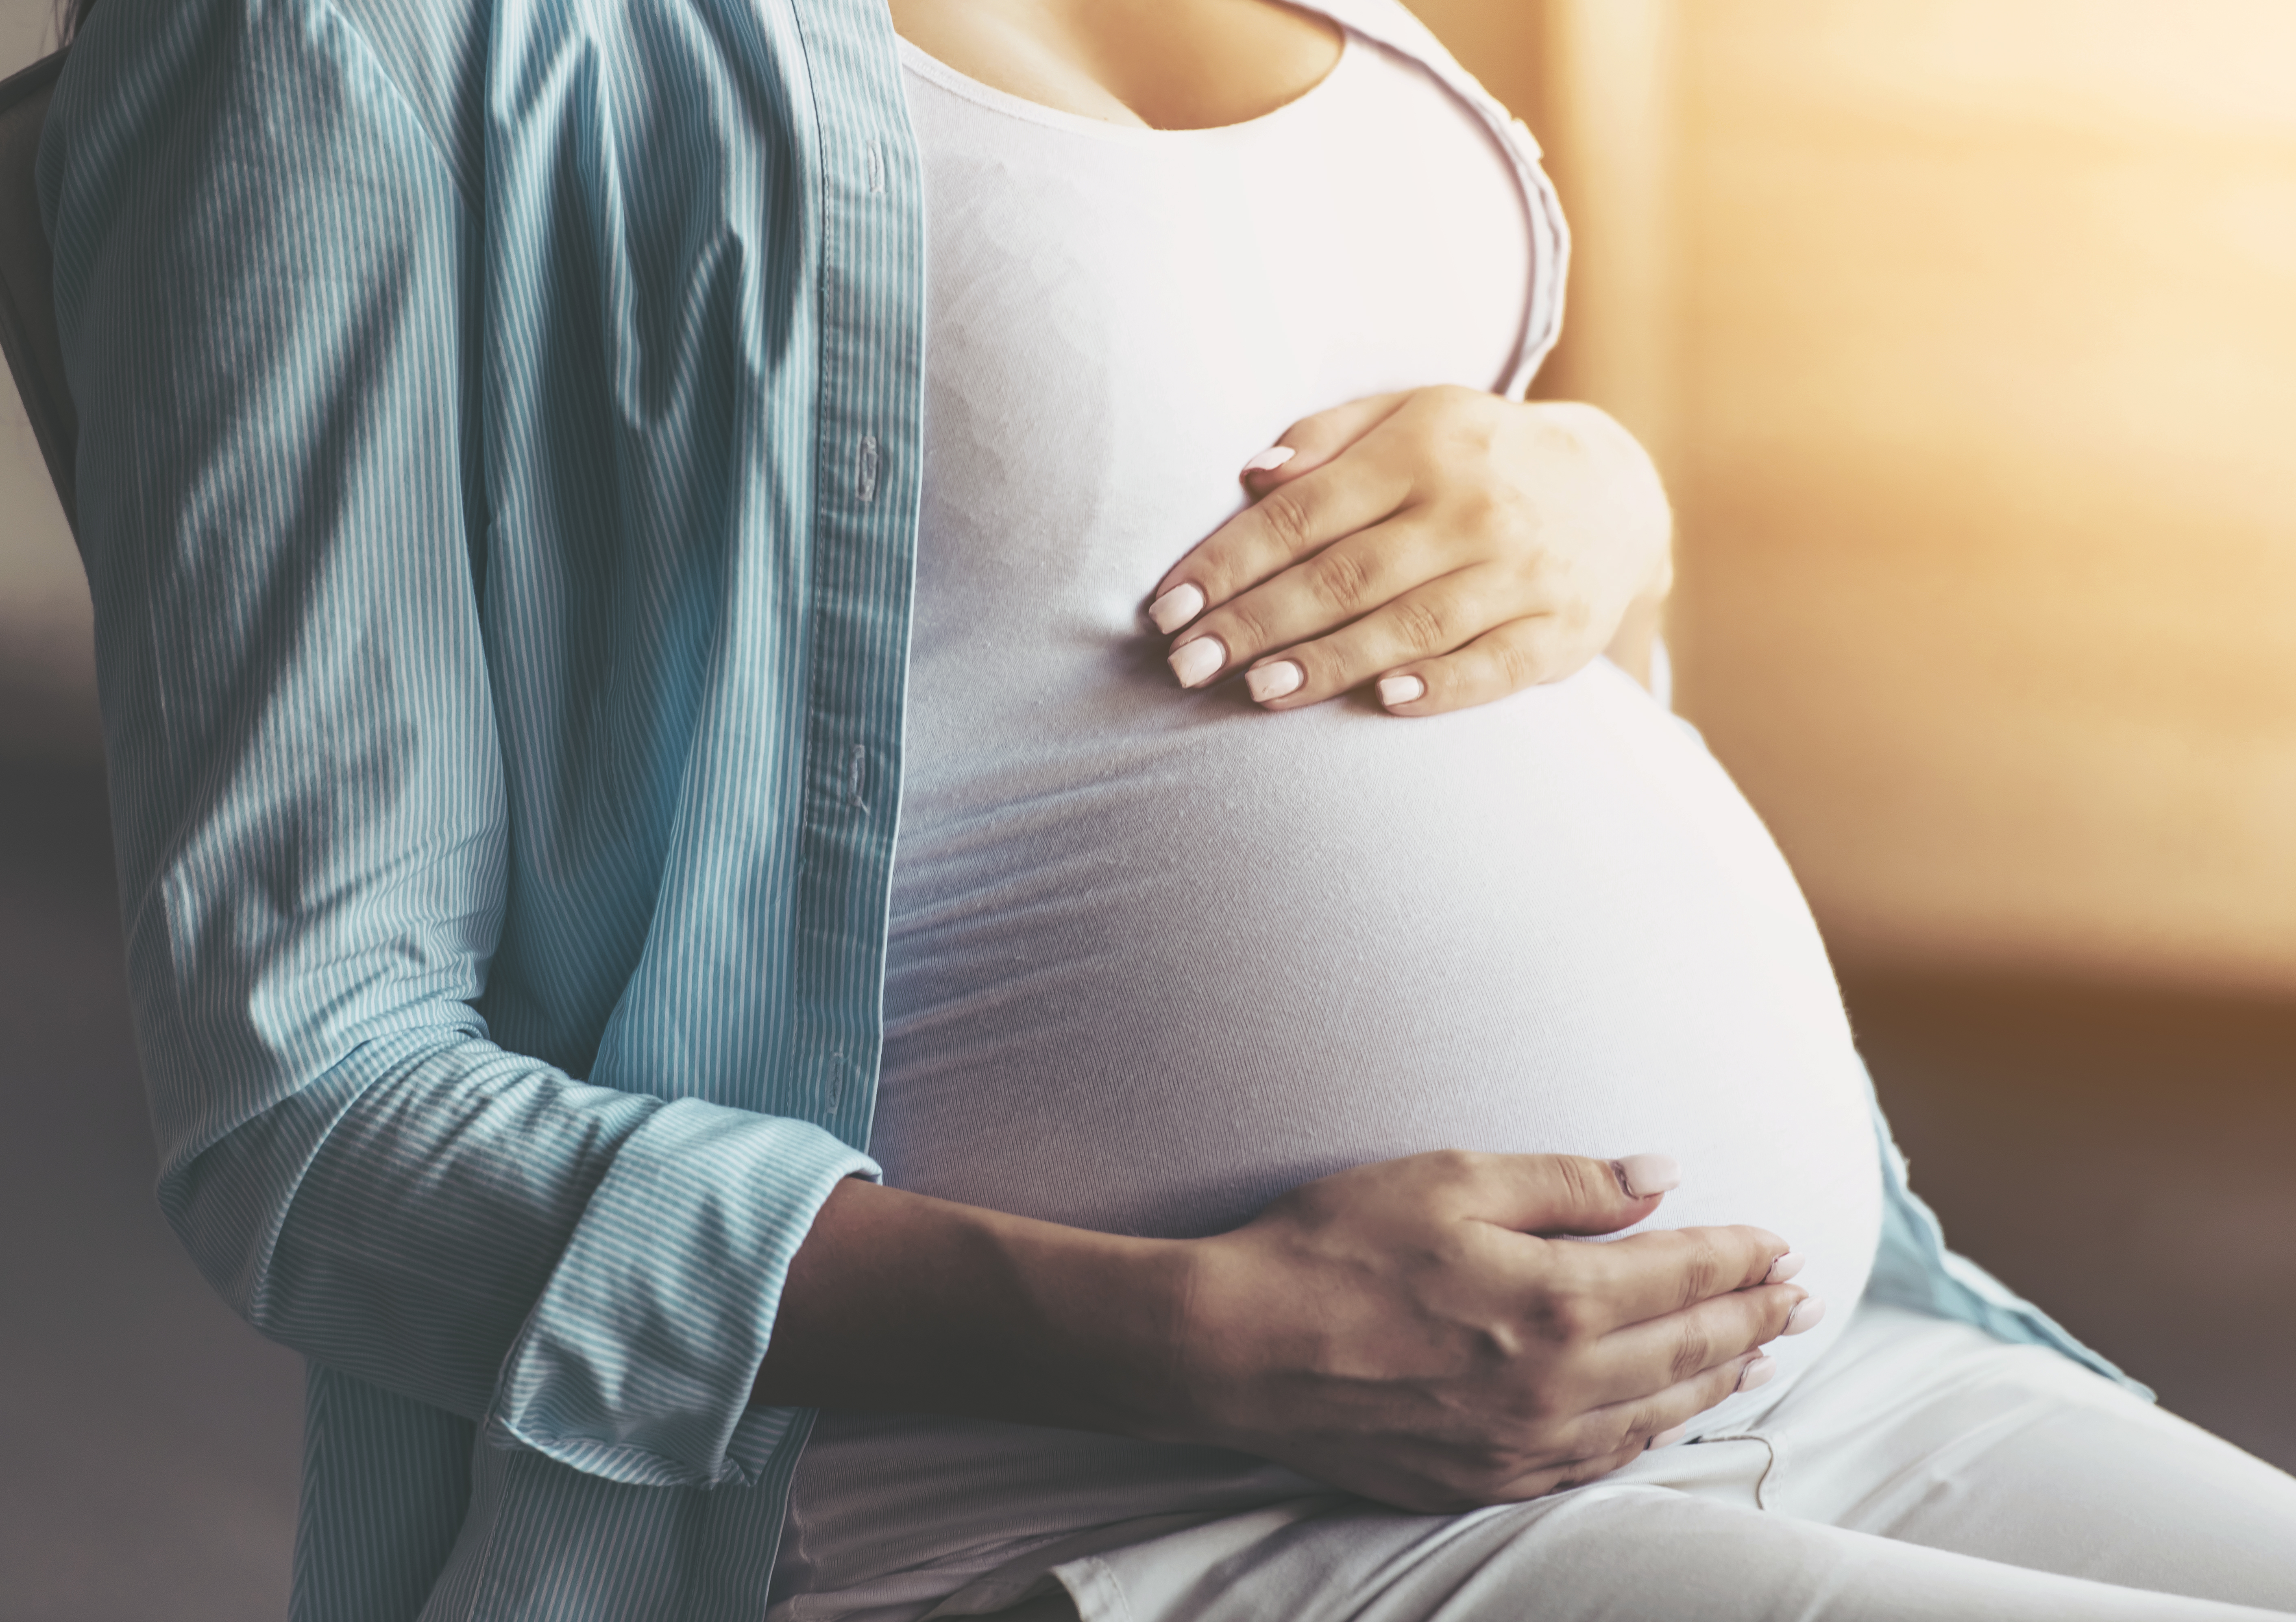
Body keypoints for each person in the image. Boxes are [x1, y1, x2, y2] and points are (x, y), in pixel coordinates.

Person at [39, 0, 2296, 1618]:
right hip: (1145, 1501)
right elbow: (311, 1112)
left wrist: (1604, 505)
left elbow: (1244, 586)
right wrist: (1173, 1329)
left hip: (1846, 1346)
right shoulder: (336, 47)